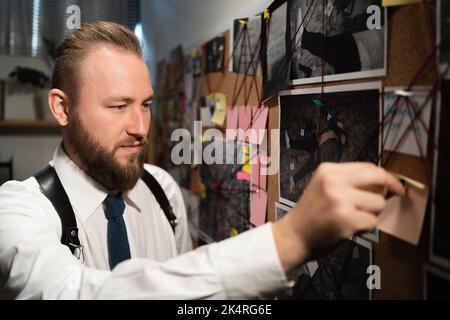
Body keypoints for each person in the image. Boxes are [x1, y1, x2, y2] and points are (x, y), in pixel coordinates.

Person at [0, 21, 404, 299]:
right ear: (62, 108)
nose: (141, 126)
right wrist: (287, 240)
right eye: (119, 106)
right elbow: (75, 293)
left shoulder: (161, 189)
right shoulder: (20, 209)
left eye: (146, 105)